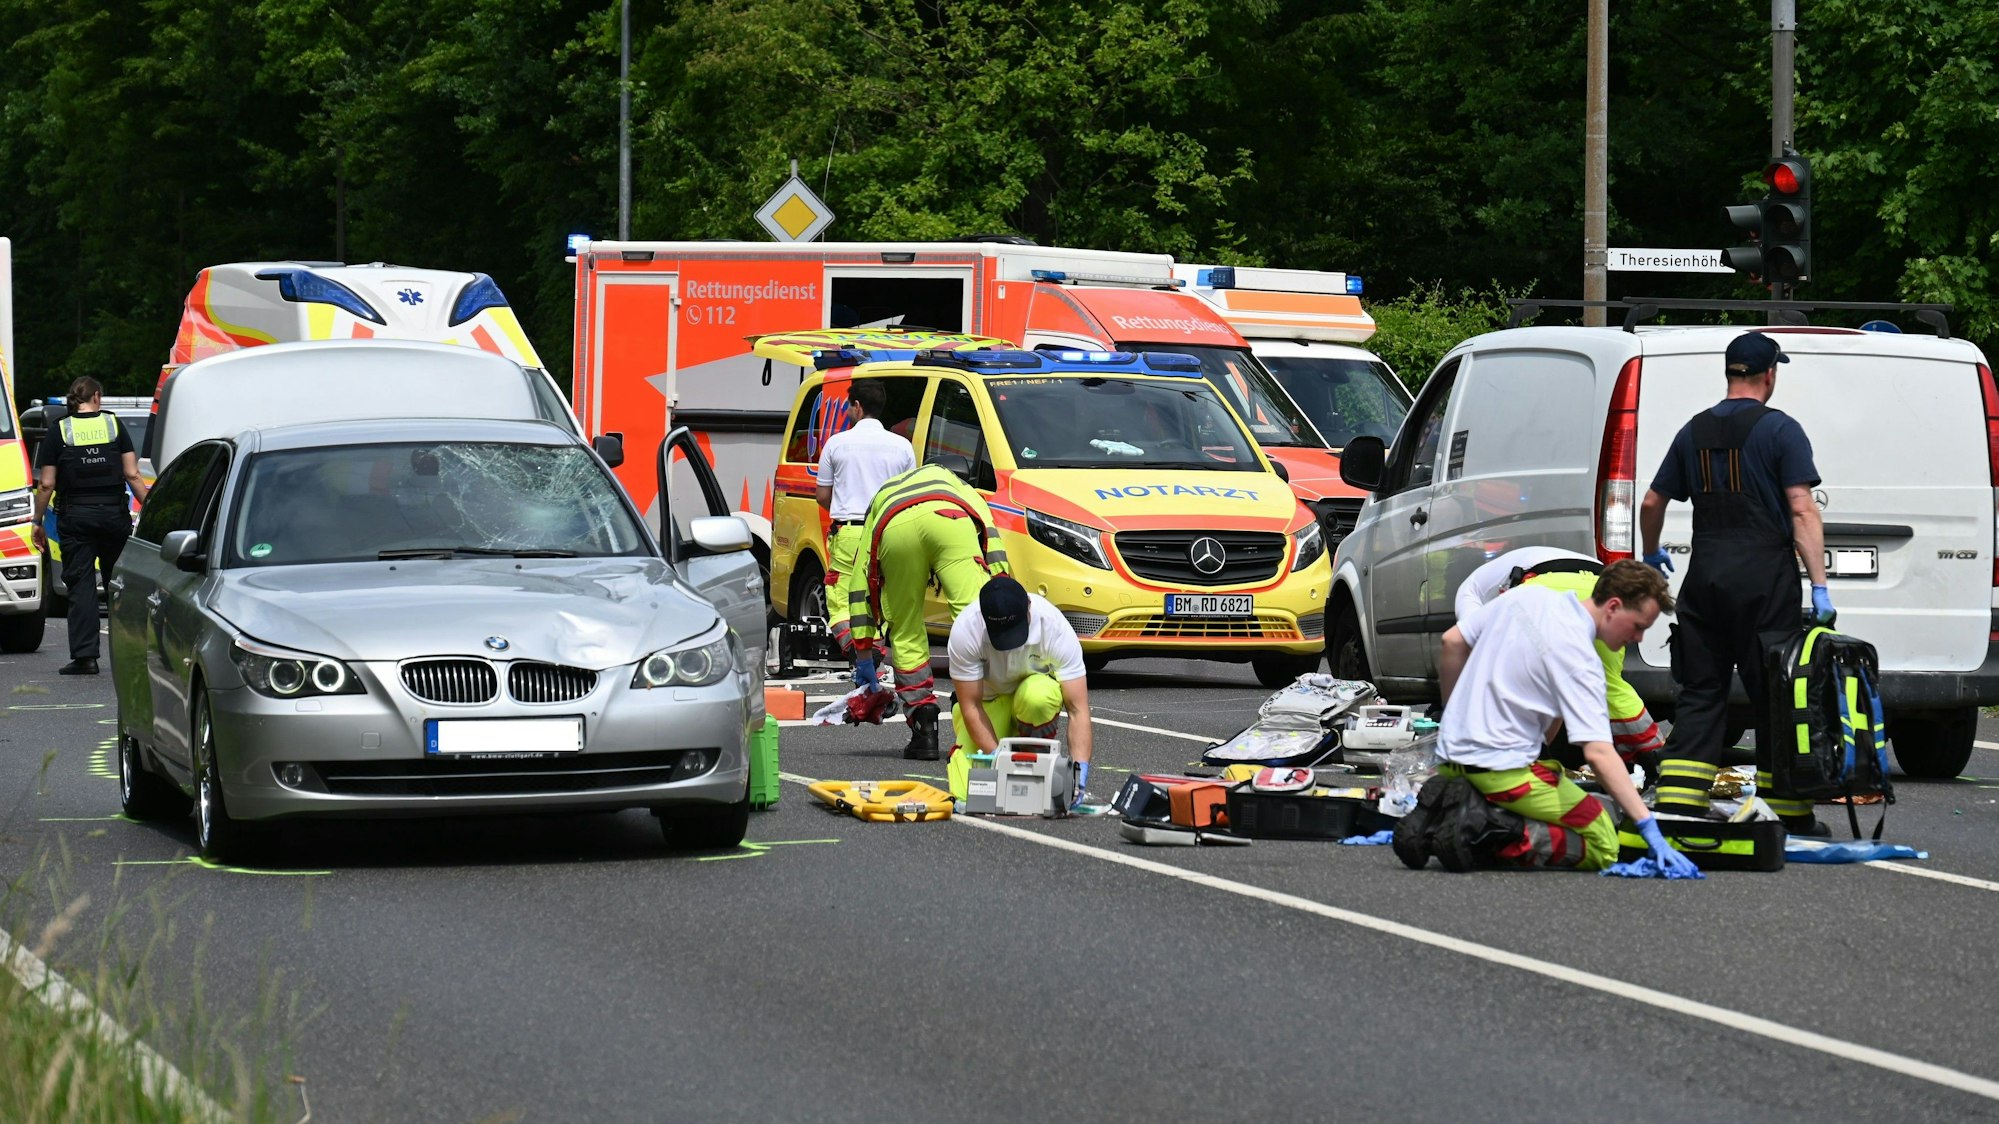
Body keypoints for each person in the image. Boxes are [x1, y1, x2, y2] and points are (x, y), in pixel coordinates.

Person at [1638, 332, 1830, 835]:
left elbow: (1652, 503)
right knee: (1776, 693)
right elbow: (1801, 508)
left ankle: (1678, 801)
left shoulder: (1693, 431)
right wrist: (1820, 585)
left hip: (1705, 578)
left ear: (1730, 373)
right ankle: (1789, 812)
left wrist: (1651, 553)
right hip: (1764, 580)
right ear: (1770, 375)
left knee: (1701, 690)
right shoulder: (1781, 431)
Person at [1398, 561, 1697, 875]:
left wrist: (1454, 717)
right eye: (1639, 626)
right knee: (1604, 839)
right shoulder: (1582, 661)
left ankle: (1459, 813)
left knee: (1554, 779)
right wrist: (1647, 826)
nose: (1637, 638)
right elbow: (1598, 753)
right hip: (1504, 773)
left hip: (1451, 760)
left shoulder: (1528, 597)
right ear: (1613, 607)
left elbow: (1453, 641)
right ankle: (1479, 830)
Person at [839, 462, 1008, 760]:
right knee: (974, 619)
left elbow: (859, 584)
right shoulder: (963, 490)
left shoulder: (882, 498)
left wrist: (864, 654)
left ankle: (924, 725)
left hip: (896, 528)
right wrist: (1005, 597)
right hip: (951, 520)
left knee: (906, 629)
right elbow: (993, 549)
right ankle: (972, 709)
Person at [1453, 546, 1666, 769]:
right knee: (1609, 684)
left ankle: (1530, 757)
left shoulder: (1469, 597)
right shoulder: (1486, 579)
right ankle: (1654, 755)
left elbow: (1471, 648)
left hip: (1545, 587)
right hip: (1599, 587)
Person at [31, 377, 150, 675]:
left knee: (81, 585)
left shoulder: (59, 430)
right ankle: (133, 654)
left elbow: (46, 484)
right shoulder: (113, 425)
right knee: (120, 585)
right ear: (97, 397)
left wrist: (37, 521)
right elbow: (133, 475)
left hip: (76, 518)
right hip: (113, 515)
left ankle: (85, 658)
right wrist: (154, 507)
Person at [946, 575, 1093, 805]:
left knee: (1039, 697)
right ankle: (1011, 763)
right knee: (968, 794)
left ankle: (1034, 763)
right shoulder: (966, 630)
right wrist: (998, 761)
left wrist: (1079, 769)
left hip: (1030, 696)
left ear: (1028, 608)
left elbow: (1078, 709)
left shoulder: (1053, 625)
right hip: (987, 703)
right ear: (984, 620)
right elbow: (971, 706)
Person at [815, 379, 916, 654]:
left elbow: (823, 496)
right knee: (879, 599)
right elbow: (909, 498)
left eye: (849, 406)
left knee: (843, 601)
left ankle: (859, 657)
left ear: (857, 406)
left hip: (849, 533)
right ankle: (875, 657)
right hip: (888, 534)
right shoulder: (903, 447)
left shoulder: (836, 445)